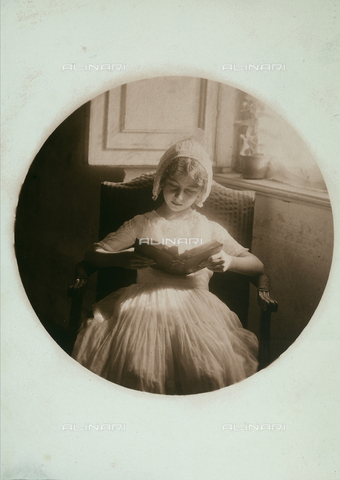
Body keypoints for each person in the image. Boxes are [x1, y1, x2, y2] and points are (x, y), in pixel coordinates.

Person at [72, 138, 264, 395]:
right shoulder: (142, 223)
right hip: (143, 303)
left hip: (198, 308)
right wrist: (118, 259)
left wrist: (229, 262)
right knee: (141, 370)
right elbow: (93, 253)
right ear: (161, 182)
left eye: (189, 191)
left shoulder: (209, 227)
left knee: (205, 370)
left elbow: (256, 264)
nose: (179, 196)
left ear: (200, 193)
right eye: (173, 187)